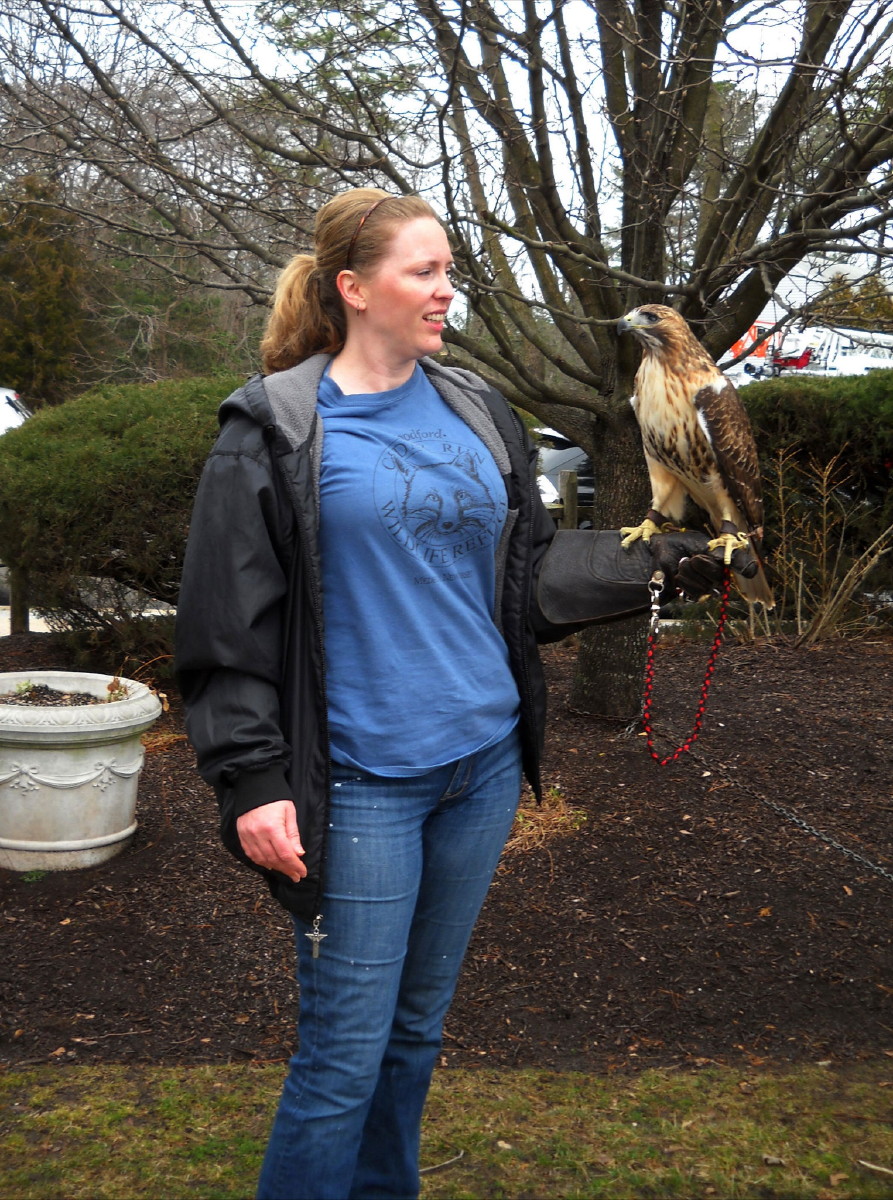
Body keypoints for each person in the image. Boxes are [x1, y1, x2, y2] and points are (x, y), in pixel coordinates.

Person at [175, 188, 725, 1200]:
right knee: (343, 1056)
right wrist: (252, 779)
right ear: (352, 288)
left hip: (476, 771)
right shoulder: (276, 429)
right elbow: (223, 627)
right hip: (360, 782)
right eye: (423, 272)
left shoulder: (475, 409)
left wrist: (651, 568)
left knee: (415, 1034)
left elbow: (520, 578)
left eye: (448, 271)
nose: (445, 292)